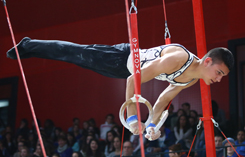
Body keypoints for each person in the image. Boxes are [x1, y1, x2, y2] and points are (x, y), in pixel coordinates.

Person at [7, 37, 234, 140]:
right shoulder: (178, 58)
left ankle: (30, 47)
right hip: (121, 59)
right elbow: (132, 80)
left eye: (222, 76)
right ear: (207, 61)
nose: (219, 79)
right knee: (75, 54)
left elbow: (163, 100)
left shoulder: (191, 79)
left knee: (75, 58)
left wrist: (152, 126)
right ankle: (28, 45)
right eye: (219, 73)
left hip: (122, 70)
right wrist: (134, 118)